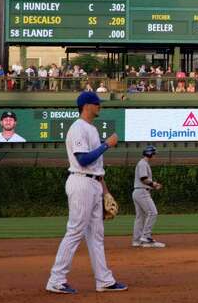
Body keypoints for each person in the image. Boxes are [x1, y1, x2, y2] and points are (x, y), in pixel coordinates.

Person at [46, 91, 127, 294]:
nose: (99, 105)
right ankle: (56, 279)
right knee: (75, 231)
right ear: (86, 106)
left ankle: (104, 280)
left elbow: (96, 168)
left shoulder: (91, 128)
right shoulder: (78, 128)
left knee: (96, 235)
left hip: (93, 183)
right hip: (80, 182)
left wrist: (105, 190)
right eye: (96, 102)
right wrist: (106, 145)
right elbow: (83, 160)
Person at [132, 145, 165, 248]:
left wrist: (152, 185)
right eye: (154, 154)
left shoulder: (142, 163)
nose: (155, 156)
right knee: (153, 213)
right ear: (150, 153)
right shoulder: (143, 163)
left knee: (140, 217)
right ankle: (146, 237)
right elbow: (143, 178)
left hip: (138, 191)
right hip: (142, 191)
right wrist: (154, 184)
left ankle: (137, 241)